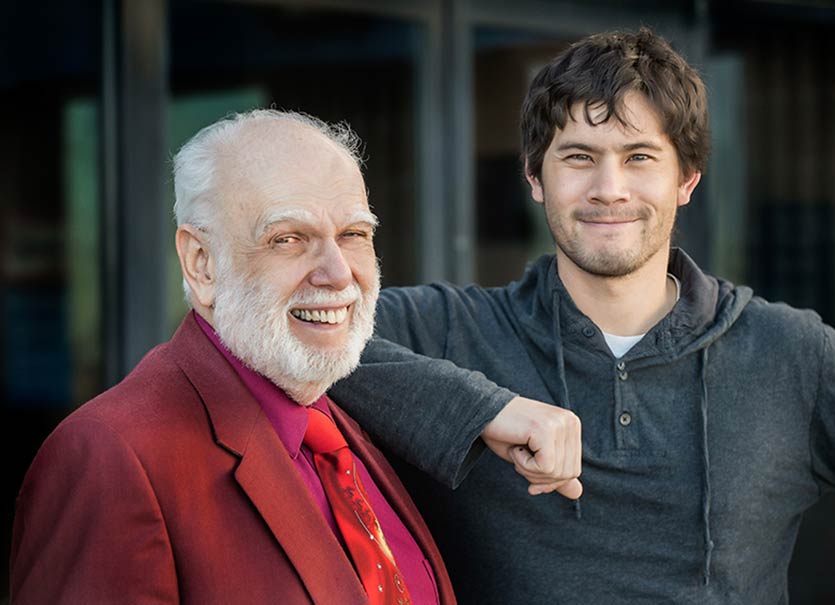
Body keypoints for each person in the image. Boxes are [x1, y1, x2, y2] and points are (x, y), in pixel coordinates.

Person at [329, 28, 835, 604]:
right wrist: (488, 410)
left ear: (687, 180)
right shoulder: (449, 330)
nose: (609, 189)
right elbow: (281, 330)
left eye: (640, 157)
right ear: (534, 176)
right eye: (579, 157)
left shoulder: (794, 354)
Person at [10, 110, 580, 604]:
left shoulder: (345, 422)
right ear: (202, 263)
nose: (338, 273)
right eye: (288, 239)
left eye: (354, 234)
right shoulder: (109, 456)